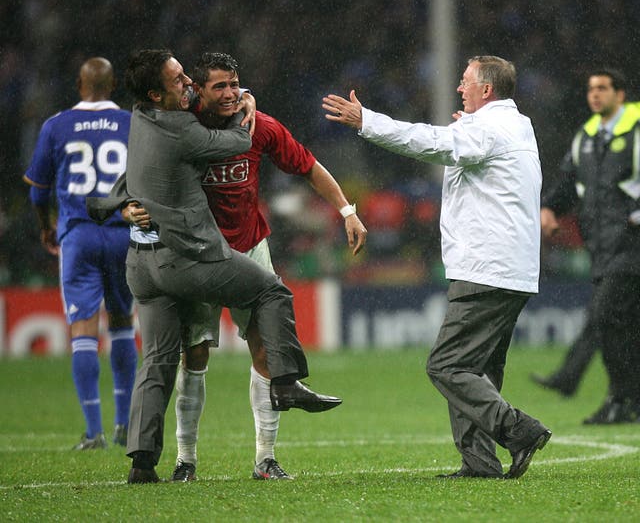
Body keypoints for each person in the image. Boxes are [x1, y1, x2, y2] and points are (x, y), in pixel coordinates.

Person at [87, 49, 342, 484]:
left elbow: (124, 184)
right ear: (164, 93)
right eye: (182, 80)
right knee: (265, 297)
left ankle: (146, 462)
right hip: (193, 255)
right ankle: (279, 389)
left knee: (158, 360)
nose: (186, 82)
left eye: (231, 84)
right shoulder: (188, 127)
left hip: (152, 259)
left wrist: (124, 209)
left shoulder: (142, 119)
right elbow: (239, 141)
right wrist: (249, 108)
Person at [323, 55, 551, 479]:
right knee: (477, 369)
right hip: (511, 267)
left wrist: (366, 121)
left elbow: (427, 142)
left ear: (487, 91)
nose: (459, 88)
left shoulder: (485, 128)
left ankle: (518, 430)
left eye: (466, 82)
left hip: (487, 268)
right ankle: (480, 464)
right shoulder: (516, 123)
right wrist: (466, 126)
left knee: (447, 366)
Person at [23, 57, 138, 450]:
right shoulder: (130, 123)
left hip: (79, 234)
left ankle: (95, 432)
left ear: (79, 84)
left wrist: (45, 226)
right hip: (124, 235)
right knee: (123, 322)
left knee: (84, 331)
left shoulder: (56, 125)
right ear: (114, 84)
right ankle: (125, 426)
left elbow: (37, 189)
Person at [530, 70, 640, 423]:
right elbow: (566, 183)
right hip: (602, 247)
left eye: (603, 88)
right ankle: (625, 401)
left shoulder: (636, 131)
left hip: (632, 245)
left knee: (606, 316)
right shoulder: (586, 138)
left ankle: (620, 398)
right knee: (623, 323)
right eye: (591, 88)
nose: (595, 94)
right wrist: (549, 208)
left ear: (620, 95)